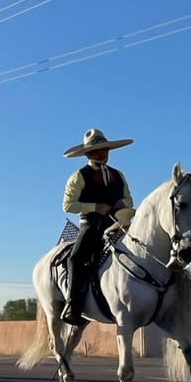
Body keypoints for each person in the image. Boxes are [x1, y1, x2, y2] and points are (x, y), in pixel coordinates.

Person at [60, 128, 135, 326]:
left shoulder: (118, 175)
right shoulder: (79, 176)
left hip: (118, 224)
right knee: (76, 259)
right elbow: (68, 205)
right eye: (96, 151)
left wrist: (123, 203)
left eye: (104, 150)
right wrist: (95, 207)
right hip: (91, 225)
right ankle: (73, 305)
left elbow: (129, 198)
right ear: (87, 154)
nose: (101, 154)